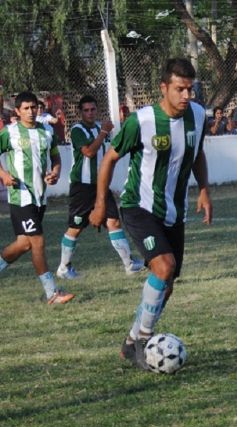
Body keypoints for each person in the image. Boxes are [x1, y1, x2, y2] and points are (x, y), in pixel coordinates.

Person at [89, 57, 213, 371]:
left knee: (167, 282)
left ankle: (131, 342)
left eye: (190, 89)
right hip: (138, 207)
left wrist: (204, 190)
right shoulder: (141, 121)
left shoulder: (197, 116)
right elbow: (109, 160)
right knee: (164, 265)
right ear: (164, 88)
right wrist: (101, 204)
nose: (187, 96)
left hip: (175, 211)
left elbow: (197, 153)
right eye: (180, 89)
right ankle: (144, 340)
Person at [56, 95, 145, 280]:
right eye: (86, 110)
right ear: (80, 112)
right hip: (82, 186)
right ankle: (63, 268)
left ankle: (129, 265)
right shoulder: (77, 130)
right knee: (76, 226)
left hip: (100, 185)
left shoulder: (99, 128)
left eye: (93, 109)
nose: (90, 113)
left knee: (113, 221)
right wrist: (104, 132)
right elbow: (89, 152)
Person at [0, 91, 74, 304]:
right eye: (26, 108)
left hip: (39, 196)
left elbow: (55, 156)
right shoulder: (10, 132)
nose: (31, 112)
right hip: (21, 196)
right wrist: (4, 174)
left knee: (24, 244)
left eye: (34, 107)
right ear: (17, 111)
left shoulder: (47, 131)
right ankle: (52, 293)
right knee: (38, 242)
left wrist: (56, 171)